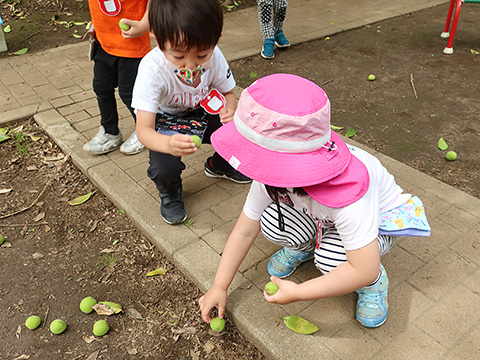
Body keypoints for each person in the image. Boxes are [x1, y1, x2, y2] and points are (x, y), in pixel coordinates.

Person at [198, 74, 431, 328]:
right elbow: (244, 231)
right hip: (320, 213)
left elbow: (363, 268)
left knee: (330, 259)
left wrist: (299, 292)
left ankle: (375, 285)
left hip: (377, 222)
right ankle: (305, 246)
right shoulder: (272, 172)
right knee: (271, 222)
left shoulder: (349, 192)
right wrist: (219, 286)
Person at [132, 0, 251, 225]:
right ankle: (170, 192)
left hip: (203, 110)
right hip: (166, 119)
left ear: (217, 39)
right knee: (163, 167)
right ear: (158, 41)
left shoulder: (215, 56)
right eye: (178, 56)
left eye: (201, 55)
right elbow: (143, 131)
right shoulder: (152, 69)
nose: (190, 65)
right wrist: (168, 145)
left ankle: (219, 165)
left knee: (238, 131)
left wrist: (230, 110)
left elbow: (228, 93)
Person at [83, 0, 151, 155]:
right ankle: (110, 131)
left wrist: (144, 24)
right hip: (103, 41)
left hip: (132, 46)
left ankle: (145, 130)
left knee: (130, 93)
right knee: (102, 88)